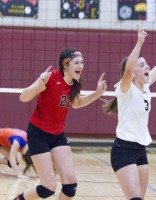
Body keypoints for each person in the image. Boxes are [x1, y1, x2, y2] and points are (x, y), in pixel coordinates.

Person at [103, 24, 156, 200]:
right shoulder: (125, 89)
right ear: (134, 72)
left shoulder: (146, 86)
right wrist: (139, 42)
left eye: (146, 64)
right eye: (142, 65)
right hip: (123, 150)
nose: (148, 66)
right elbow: (127, 70)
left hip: (140, 150)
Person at [14, 48, 107, 200]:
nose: (81, 66)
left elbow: (76, 103)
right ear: (65, 65)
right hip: (38, 133)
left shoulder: (74, 84)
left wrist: (97, 94)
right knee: (47, 188)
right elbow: (23, 97)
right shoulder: (51, 77)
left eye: (82, 62)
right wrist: (38, 84)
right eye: (77, 63)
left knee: (70, 186)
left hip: (57, 135)